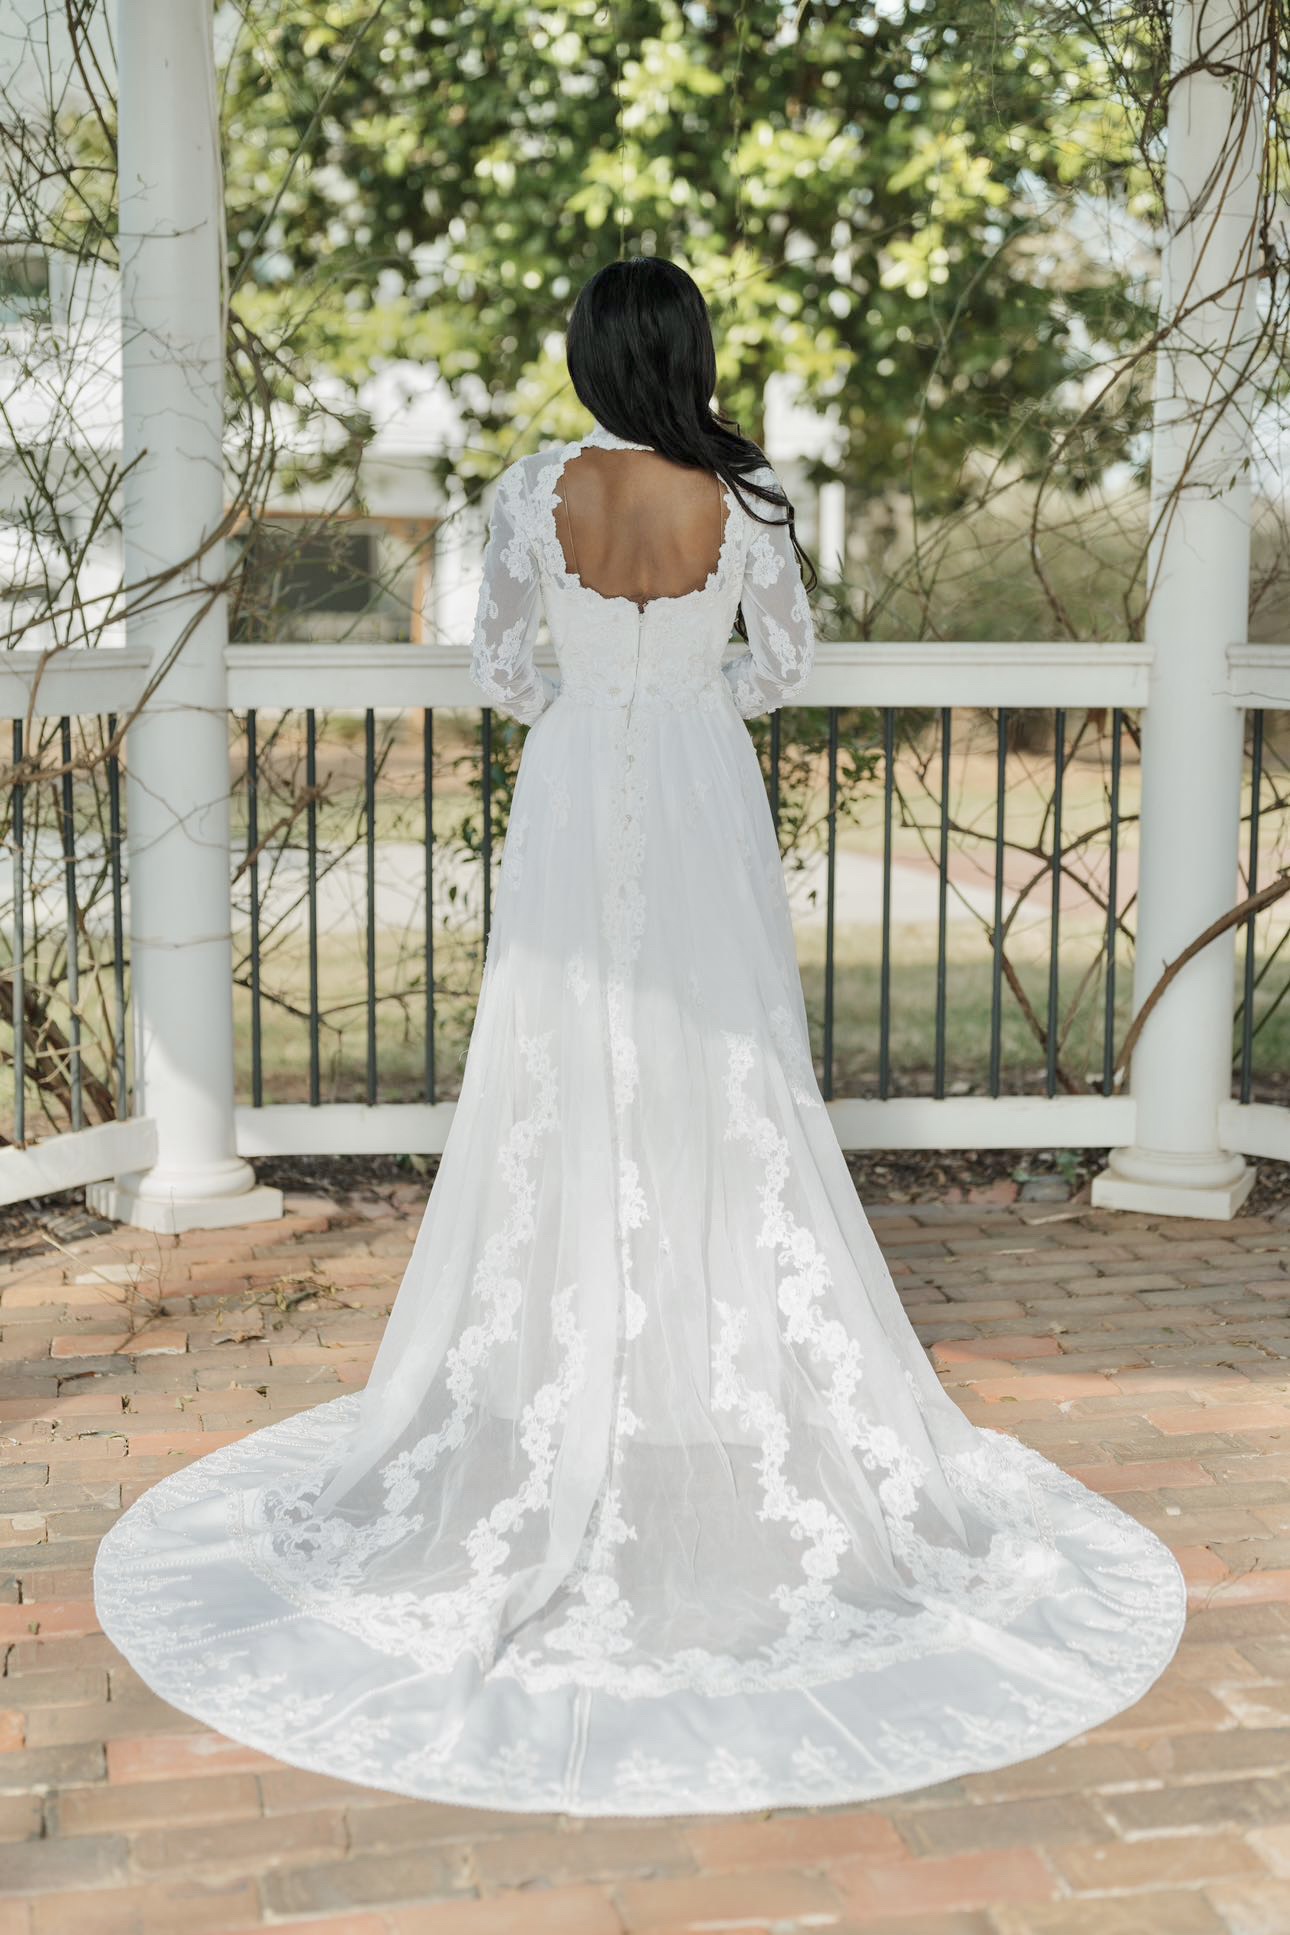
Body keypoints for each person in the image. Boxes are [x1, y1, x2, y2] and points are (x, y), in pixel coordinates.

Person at [94, 257, 1186, 1817]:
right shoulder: (749, 504)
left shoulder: (533, 487)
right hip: (694, 789)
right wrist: (688, 692)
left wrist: (600, 695)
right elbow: (786, 670)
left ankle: (575, 1324)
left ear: (590, 358)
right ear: (689, 352)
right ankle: (693, 1316)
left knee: (557, 1057)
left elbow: (500, 669)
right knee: (726, 1059)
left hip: (568, 792)